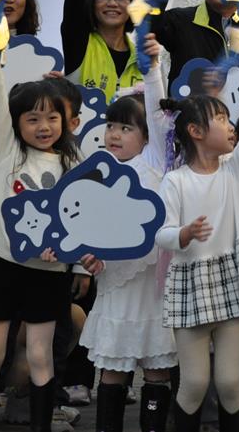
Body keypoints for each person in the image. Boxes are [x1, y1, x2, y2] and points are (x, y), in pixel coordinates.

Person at [0, 27, 86, 432]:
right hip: (1, 264)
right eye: (32, 118)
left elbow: (80, 220)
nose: (43, 126)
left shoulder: (73, 163)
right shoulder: (6, 150)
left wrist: (67, 253)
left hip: (48, 273)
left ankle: (41, 424)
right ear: (16, 123)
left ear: (66, 121)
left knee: (40, 356)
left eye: (52, 117)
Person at [155, 61, 239, 432]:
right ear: (195, 131)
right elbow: (161, 232)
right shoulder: (175, 181)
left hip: (231, 279)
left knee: (231, 382)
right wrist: (184, 234)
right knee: (193, 382)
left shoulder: (233, 171)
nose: (230, 126)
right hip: (190, 282)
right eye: (221, 119)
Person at [78, 34, 177, 432]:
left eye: (125, 127)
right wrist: (86, 260)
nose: (114, 134)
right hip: (116, 282)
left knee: (157, 368)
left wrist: (151, 69)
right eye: (110, 126)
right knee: (113, 368)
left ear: (149, 135)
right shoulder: (98, 171)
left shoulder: (155, 161)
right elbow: (85, 227)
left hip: (153, 285)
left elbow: (156, 108)